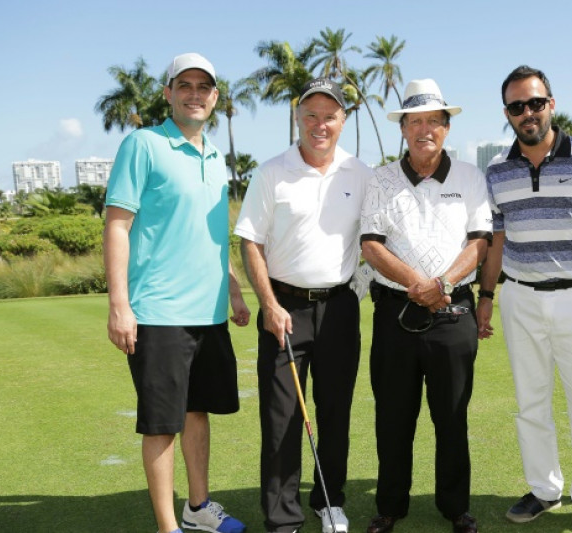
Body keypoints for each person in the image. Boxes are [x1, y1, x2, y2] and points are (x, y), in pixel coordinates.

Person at [476, 65, 572, 533]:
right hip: (520, 298)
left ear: (551, 105)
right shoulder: (497, 171)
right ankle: (544, 489)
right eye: (517, 106)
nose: (528, 113)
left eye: (536, 103)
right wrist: (485, 296)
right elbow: (497, 240)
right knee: (531, 403)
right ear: (507, 114)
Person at [104, 52, 249, 533]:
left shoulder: (214, 155)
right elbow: (118, 226)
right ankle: (169, 527)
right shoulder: (143, 145)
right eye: (183, 85)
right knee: (162, 423)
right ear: (167, 93)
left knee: (197, 412)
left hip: (207, 314)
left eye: (203, 87)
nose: (194, 93)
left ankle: (198, 509)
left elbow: (207, 234)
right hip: (158, 313)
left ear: (214, 97)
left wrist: (232, 289)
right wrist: (120, 305)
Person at [234, 78, 371, 533]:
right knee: (282, 418)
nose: (320, 124)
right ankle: (281, 516)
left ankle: (329, 501)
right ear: (298, 118)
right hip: (284, 308)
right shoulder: (272, 171)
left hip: (339, 308)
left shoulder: (360, 172)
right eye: (310, 115)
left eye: (329, 116)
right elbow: (250, 241)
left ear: (343, 121)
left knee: (335, 412)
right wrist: (268, 303)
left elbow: (371, 240)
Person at [360, 79, 491, 533]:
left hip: (453, 315)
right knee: (393, 417)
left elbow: (480, 242)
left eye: (433, 120)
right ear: (403, 129)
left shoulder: (471, 176)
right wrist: (419, 284)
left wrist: (444, 283)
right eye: (415, 121)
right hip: (396, 314)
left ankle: (456, 507)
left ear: (447, 127)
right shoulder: (381, 179)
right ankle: (390, 506)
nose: (424, 129)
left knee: (451, 417)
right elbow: (371, 245)